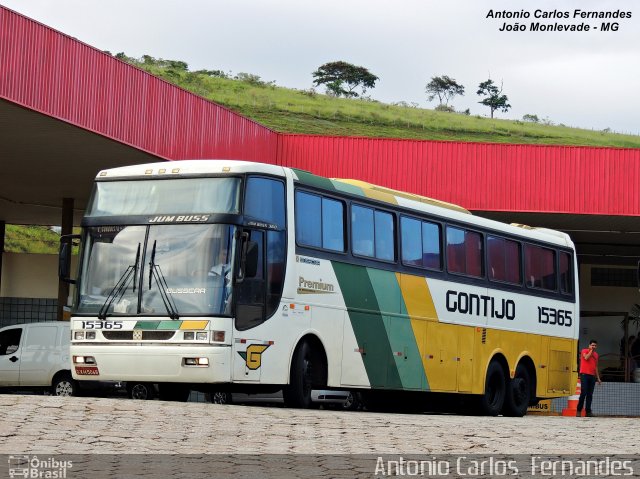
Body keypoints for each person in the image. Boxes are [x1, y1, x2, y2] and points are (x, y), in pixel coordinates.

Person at [577, 339, 601, 417]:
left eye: (595, 345)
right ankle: (579, 410)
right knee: (583, 393)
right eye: (592, 345)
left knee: (590, 394)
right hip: (584, 375)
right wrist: (591, 351)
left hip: (592, 376)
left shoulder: (596, 355)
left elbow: (596, 367)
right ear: (589, 345)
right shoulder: (584, 351)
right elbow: (586, 358)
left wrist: (598, 378)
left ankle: (588, 411)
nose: (593, 347)